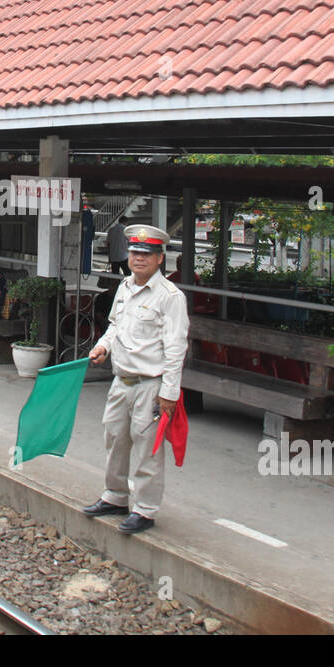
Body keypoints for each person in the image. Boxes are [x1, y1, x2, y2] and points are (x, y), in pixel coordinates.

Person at [83, 224, 190, 535]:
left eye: (146, 253)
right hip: (121, 381)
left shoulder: (170, 297)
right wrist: (104, 345)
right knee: (114, 439)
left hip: (151, 386)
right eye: (134, 252)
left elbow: (175, 347)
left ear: (159, 258)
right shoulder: (125, 287)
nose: (138, 258)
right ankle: (115, 497)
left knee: (147, 450)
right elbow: (116, 326)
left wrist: (169, 393)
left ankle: (144, 509)